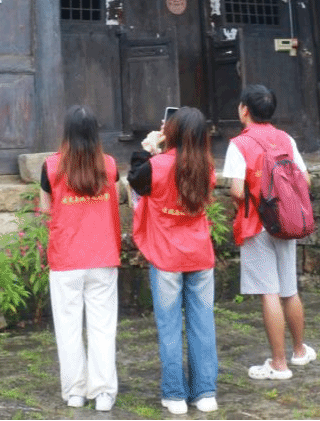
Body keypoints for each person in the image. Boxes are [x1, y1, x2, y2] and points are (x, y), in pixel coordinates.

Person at [127, 107, 219, 415]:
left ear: (172, 132)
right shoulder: (207, 168)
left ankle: (175, 395)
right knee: (203, 324)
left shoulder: (157, 166)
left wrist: (147, 150)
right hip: (200, 254)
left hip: (166, 256)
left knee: (169, 327)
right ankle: (205, 393)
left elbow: (136, 180)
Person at [225, 84, 315, 381]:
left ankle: (278, 363)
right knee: (290, 290)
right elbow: (305, 180)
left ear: (244, 110)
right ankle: (299, 351)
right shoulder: (286, 138)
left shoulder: (239, 144)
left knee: (269, 292)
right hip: (286, 221)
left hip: (257, 223)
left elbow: (237, 191)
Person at [39, 105, 122, 412]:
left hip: (66, 257)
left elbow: (45, 210)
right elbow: (115, 202)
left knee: (68, 328)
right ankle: (103, 393)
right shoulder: (109, 165)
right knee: (103, 327)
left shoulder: (51, 167)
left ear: (67, 132)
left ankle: (75, 391)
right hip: (102, 255)